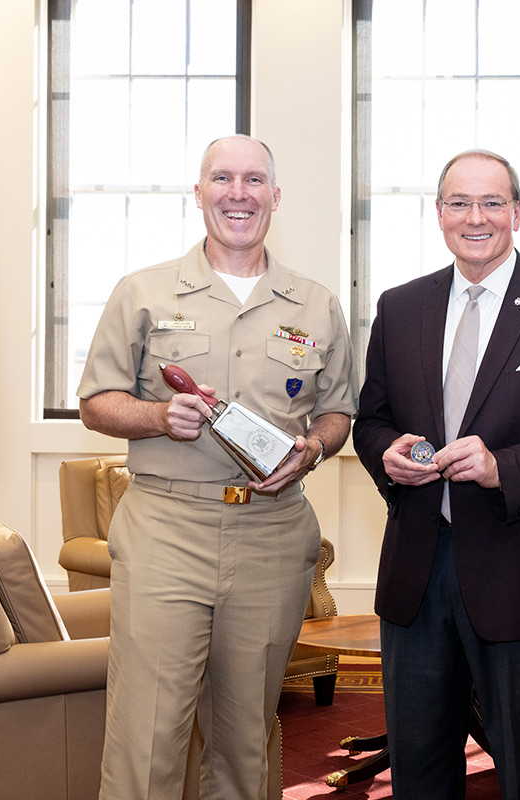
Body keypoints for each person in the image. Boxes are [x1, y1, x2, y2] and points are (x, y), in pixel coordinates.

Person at [77, 134, 357, 800]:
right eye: (223, 179)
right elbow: (95, 402)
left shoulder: (316, 304)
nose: (239, 194)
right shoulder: (141, 291)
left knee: (245, 735)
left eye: (254, 180)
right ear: (198, 192)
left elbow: (341, 412)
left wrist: (312, 449)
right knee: (146, 733)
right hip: (167, 528)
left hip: (272, 534)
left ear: (275, 197)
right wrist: (154, 417)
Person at [353, 149, 520, 799]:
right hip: (415, 574)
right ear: (439, 214)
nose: (476, 218)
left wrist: (503, 466)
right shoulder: (399, 308)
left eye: (491, 203)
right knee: (418, 767)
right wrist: (388, 453)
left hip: (519, 573)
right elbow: (371, 421)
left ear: (517, 213)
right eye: (459, 203)